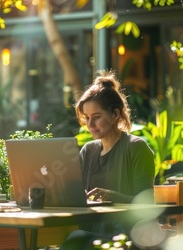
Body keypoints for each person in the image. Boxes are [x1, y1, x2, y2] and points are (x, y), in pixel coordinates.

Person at [60, 70, 155, 249]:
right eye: (86, 118)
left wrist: (113, 197)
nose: (90, 125)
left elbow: (146, 203)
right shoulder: (88, 151)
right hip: (92, 232)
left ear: (115, 115)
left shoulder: (136, 148)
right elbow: (75, 195)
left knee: (75, 240)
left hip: (126, 237)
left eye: (96, 117)